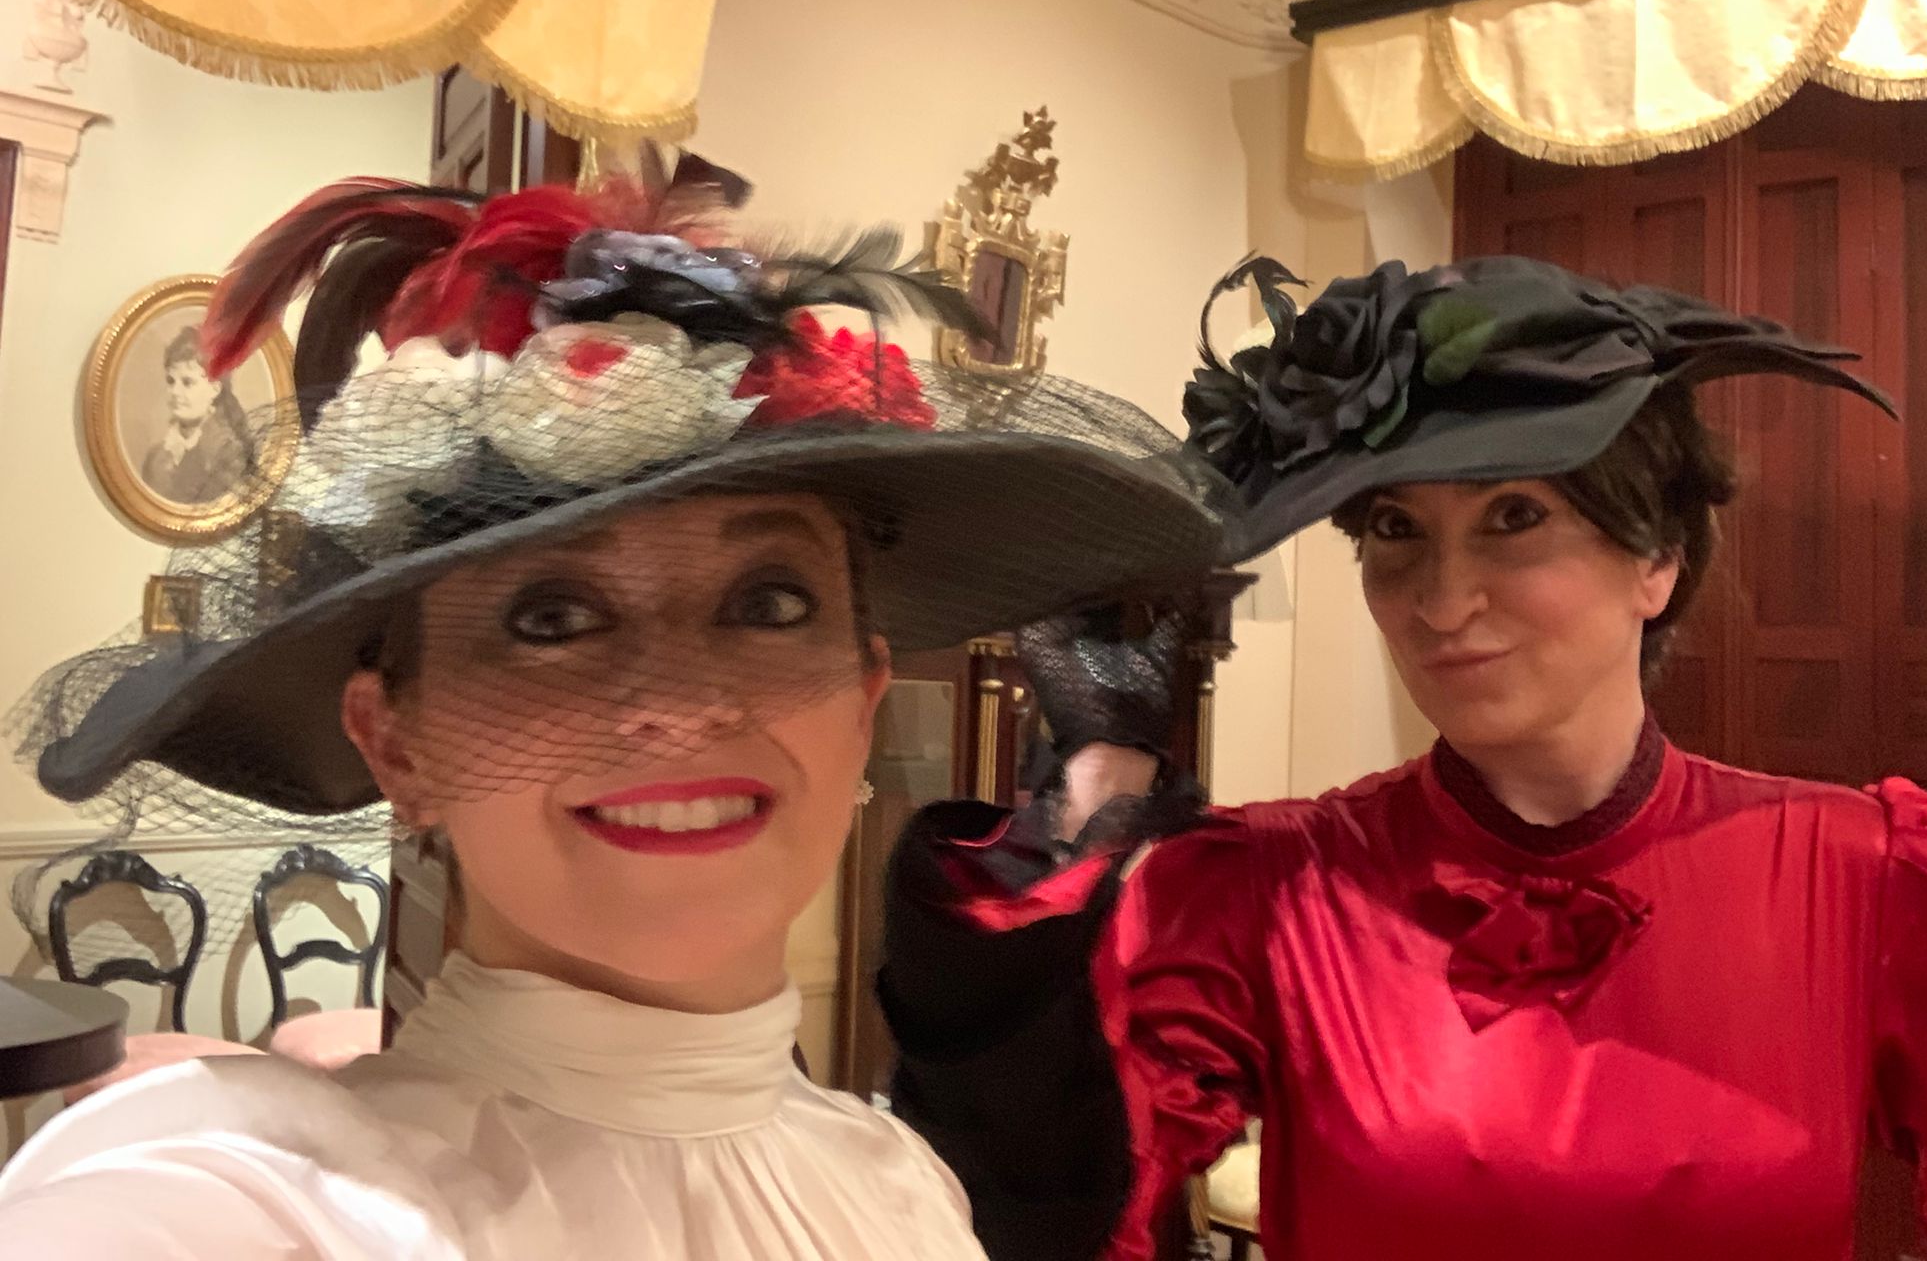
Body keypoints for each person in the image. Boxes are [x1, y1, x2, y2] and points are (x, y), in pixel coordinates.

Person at [0, 157, 1229, 1260]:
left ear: (861, 702)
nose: (677, 706)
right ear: (396, 744)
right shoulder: (254, 1203)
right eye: (551, 619)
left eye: (767, 602)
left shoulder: (899, 1189)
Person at [879, 255, 1927, 1261]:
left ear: (1656, 560)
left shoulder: (1857, 871)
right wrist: (1096, 772)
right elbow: (1040, 1203)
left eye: (1512, 518)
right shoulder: (1265, 891)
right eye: (1396, 531)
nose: (1440, 601)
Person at [139, 324, 254, 504]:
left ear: (215, 389)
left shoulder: (229, 453)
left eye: (187, 382)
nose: (175, 391)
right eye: (171, 381)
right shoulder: (155, 458)